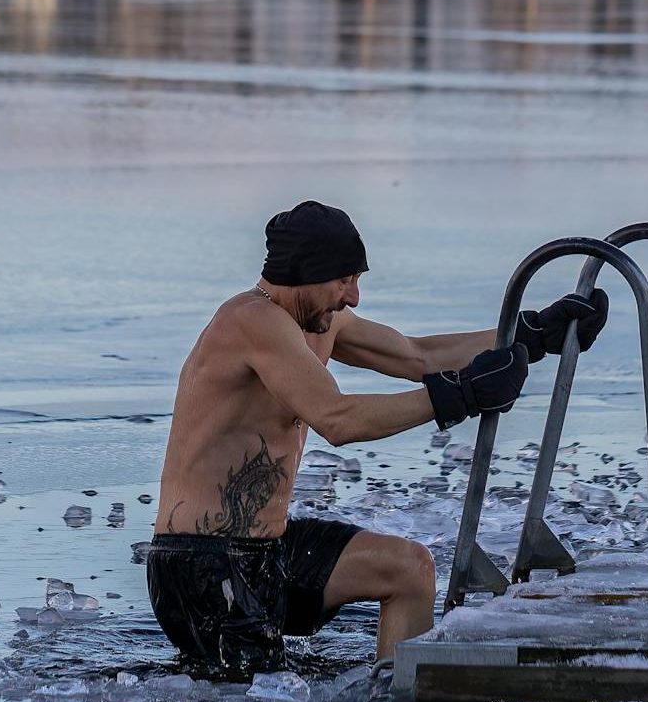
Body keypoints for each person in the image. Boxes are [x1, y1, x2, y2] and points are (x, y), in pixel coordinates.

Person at [148, 200, 609, 674]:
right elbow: (338, 418)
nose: (353, 297)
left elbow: (418, 356)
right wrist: (461, 397)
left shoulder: (320, 323)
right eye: (344, 280)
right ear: (306, 272)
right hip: (201, 565)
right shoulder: (251, 321)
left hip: (272, 550)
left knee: (408, 569)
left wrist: (531, 334)